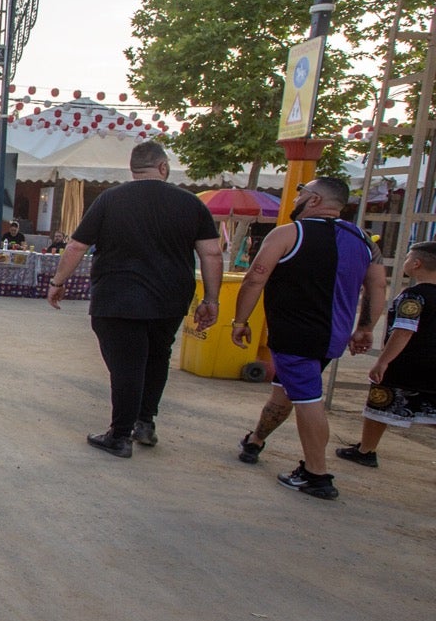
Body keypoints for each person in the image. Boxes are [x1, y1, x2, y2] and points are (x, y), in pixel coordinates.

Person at [48, 141, 223, 458]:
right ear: (163, 167)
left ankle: (119, 435)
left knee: (127, 365)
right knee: (157, 357)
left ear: (132, 169)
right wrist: (212, 299)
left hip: (118, 297)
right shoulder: (191, 204)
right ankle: (145, 421)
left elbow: (76, 246)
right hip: (170, 299)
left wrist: (57, 281)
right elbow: (211, 252)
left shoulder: (110, 199)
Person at [231, 177, 384, 499]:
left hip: (294, 334)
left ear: (314, 200)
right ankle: (256, 440)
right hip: (333, 336)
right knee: (286, 392)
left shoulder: (288, 234)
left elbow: (255, 278)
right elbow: (377, 286)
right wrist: (366, 328)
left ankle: (317, 474)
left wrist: (240, 321)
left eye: (301, 194)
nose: (296, 200)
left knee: (307, 399)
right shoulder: (364, 241)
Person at [337, 240, 436, 468]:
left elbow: (403, 332)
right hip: (432, 366)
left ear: (416, 264)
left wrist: (382, 362)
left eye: (408, 258)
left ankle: (366, 449)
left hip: (405, 363)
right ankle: (365, 448)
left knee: (379, 404)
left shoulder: (413, 296)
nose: (406, 262)